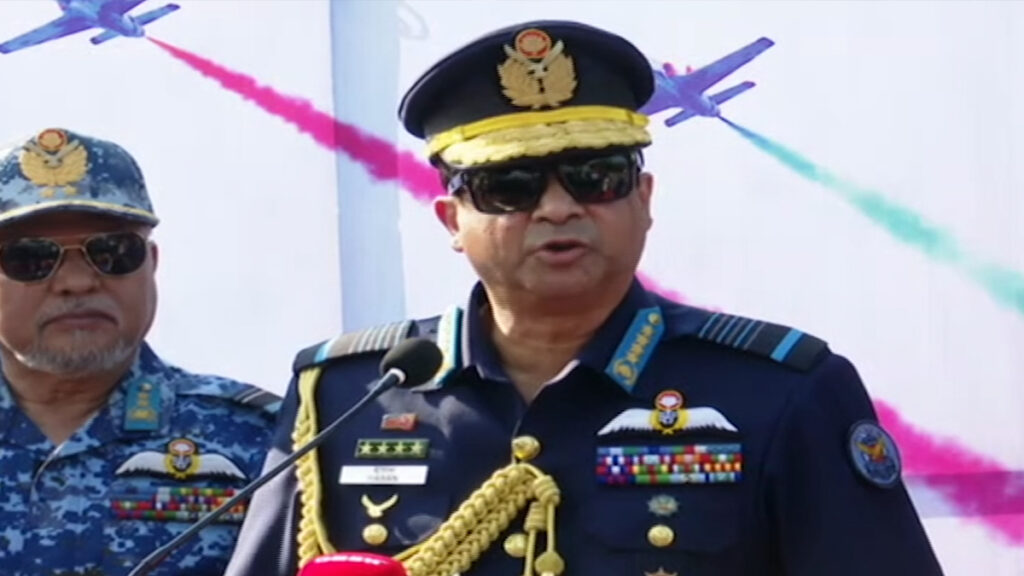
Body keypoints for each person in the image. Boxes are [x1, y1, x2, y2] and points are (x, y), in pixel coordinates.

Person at [225, 20, 945, 576]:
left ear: (644, 198)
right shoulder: (345, 398)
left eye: (595, 177)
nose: (558, 208)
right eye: (510, 187)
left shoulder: (782, 393)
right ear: (451, 221)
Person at [0, 127, 282, 576]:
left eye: (112, 252)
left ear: (152, 264)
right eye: (31, 259)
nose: (78, 282)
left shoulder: (265, 442)